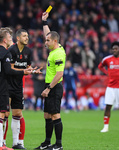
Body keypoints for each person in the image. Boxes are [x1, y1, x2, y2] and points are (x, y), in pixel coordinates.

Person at [0, 28, 33, 150]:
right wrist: (23, 71)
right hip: (2, 87)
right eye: (10, 38)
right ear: (5, 40)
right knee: (1, 115)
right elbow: (8, 70)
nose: (11, 40)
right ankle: (1, 145)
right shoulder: (7, 52)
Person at [4, 29, 42, 149]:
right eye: (24, 36)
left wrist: (33, 71)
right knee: (4, 114)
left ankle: (16, 143)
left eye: (27, 36)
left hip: (18, 87)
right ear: (18, 38)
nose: (27, 38)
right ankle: (2, 142)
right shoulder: (11, 50)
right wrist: (24, 71)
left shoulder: (28, 51)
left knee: (17, 113)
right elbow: (10, 70)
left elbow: (27, 67)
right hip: (7, 86)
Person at [35, 12, 66, 150]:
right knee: (47, 115)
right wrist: (44, 22)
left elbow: (59, 74)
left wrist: (48, 88)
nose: (45, 42)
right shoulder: (54, 48)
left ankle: (58, 145)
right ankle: (47, 142)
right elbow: (49, 34)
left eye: (47, 41)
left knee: (55, 115)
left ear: (54, 41)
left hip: (54, 86)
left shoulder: (58, 53)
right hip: (49, 85)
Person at [98, 41, 119, 133]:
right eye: (113, 49)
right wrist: (106, 72)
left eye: (116, 49)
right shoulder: (107, 59)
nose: (114, 50)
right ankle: (106, 127)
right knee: (108, 106)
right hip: (110, 87)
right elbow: (100, 66)